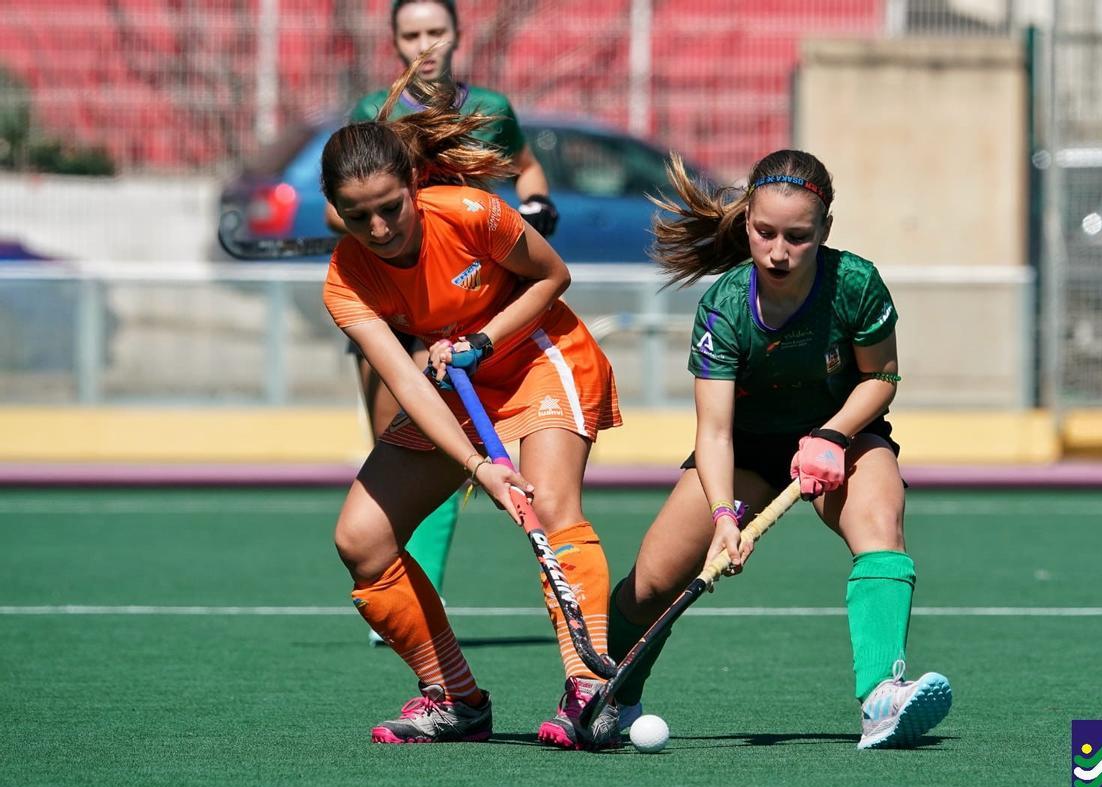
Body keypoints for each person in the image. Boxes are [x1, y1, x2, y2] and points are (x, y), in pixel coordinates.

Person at [320, 59, 623, 749]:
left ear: (414, 185)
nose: (378, 228)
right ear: (336, 208)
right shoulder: (345, 281)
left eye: (390, 207)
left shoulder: (473, 212)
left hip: (540, 354)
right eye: (358, 215)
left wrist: (483, 338)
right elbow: (404, 382)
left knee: (549, 508)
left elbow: (553, 277)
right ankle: (453, 696)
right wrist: (478, 464)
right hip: (453, 387)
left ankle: (589, 688)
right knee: (361, 540)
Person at [604, 150, 953, 749]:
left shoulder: (855, 284)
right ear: (746, 225)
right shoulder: (726, 306)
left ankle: (881, 698)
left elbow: (882, 378)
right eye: (765, 233)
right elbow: (714, 432)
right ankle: (608, 694)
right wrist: (722, 516)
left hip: (842, 435)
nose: (779, 251)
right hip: (741, 452)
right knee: (651, 586)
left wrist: (832, 434)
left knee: (880, 526)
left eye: (798, 236)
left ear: (825, 231)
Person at [333, 0, 558, 623]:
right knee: (404, 439)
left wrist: (535, 205)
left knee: (458, 449)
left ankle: (423, 584)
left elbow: (526, 167)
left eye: (436, 31)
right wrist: (379, 229)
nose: (425, 45)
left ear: (458, 35)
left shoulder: (490, 108)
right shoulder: (371, 116)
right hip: (395, 305)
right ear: (394, 42)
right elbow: (341, 205)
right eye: (411, 34)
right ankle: (406, 590)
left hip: (470, 305)